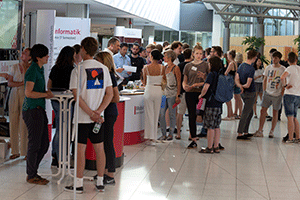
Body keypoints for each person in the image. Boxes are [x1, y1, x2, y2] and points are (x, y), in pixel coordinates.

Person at [65, 37, 113, 193]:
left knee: (80, 149)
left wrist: (91, 113)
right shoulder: (104, 69)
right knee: (100, 149)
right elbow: (109, 94)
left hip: (82, 118)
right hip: (98, 119)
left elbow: (77, 97)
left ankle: (78, 184)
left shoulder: (77, 70)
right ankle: (100, 182)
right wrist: (98, 112)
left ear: (83, 49)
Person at [22, 44, 54, 185]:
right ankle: (31, 174)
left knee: (44, 144)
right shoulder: (32, 70)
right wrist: (45, 95)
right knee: (35, 144)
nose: (48, 57)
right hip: (32, 110)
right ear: (38, 57)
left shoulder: (40, 69)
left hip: (39, 109)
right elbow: (28, 93)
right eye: (45, 55)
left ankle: (33, 171)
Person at [94, 51, 120, 184]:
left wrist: (103, 103)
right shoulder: (101, 74)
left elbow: (116, 97)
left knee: (108, 142)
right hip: (104, 112)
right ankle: (103, 171)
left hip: (108, 113)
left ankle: (110, 173)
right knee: (102, 142)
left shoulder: (109, 75)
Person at [47, 46, 75, 167]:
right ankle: (61, 157)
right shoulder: (72, 70)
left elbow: (49, 85)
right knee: (64, 130)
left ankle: (55, 155)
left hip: (55, 100)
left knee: (59, 127)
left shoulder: (55, 68)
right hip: (68, 101)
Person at [253, 51, 285, 138]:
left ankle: (272, 131)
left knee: (275, 112)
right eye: (273, 58)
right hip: (267, 93)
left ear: (279, 59)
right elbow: (265, 80)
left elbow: (284, 83)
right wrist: (264, 91)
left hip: (277, 94)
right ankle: (260, 130)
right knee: (263, 111)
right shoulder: (268, 68)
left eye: (276, 58)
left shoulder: (283, 69)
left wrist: (281, 93)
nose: (274, 59)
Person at [183, 43, 209, 149]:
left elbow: (208, 80)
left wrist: (201, 80)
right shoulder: (188, 66)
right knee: (191, 115)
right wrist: (185, 87)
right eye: (197, 53)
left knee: (203, 114)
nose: (199, 55)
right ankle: (193, 137)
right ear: (193, 54)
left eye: (200, 53)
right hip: (190, 92)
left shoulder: (205, 65)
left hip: (201, 93)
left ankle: (208, 134)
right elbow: (185, 80)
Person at [8, 48, 31, 160]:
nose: (22, 54)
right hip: (14, 93)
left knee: (24, 122)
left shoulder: (31, 68)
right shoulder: (15, 67)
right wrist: (22, 83)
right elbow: (10, 83)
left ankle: (25, 151)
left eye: (25, 53)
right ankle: (15, 150)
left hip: (25, 94)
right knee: (13, 120)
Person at [198, 56, 223, 153]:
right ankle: (216, 146)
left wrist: (201, 95)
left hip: (211, 103)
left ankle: (209, 147)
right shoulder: (220, 75)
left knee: (210, 127)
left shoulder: (211, 74)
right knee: (217, 126)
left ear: (211, 64)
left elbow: (206, 88)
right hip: (219, 103)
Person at [142, 49, 166, 146]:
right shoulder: (162, 68)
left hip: (149, 90)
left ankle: (148, 136)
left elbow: (144, 81)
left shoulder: (146, 68)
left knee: (149, 114)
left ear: (151, 57)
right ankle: (154, 137)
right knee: (156, 114)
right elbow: (164, 79)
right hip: (158, 90)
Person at [158, 50, 181, 141]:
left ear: (170, 57)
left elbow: (179, 82)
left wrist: (177, 95)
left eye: (165, 56)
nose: (164, 58)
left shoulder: (176, 68)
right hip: (164, 95)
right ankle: (163, 133)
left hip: (172, 94)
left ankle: (170, 134)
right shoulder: (164, 67)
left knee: (172, 114)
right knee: (161, 114)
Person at [235, 49, 257, 140]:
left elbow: (236, 79)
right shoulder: (251, 69)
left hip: (243, 93)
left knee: (250, 112)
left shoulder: (241, 66)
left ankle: (245, 131)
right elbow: (248, 84)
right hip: (250, 93)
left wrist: (240, 86)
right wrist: (243, 86)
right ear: (254, 58)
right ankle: (240, 133)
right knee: (245, 113)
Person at [280, 52, 300, 143]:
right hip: (298, 95)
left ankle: (290, 138)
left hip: (289, 95)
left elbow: (282, 77)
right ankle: (298, 137)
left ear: (288, 60)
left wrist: (285, 86)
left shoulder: (289, 68)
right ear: (296, 60)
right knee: (295, 117)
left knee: (290, 117)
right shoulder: (299, 68)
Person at [176, 48, 193, 140]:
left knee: (180, 113)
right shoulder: (192, 65)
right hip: (191, 91)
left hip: (181, 91)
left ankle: (178, 132)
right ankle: (191, 134)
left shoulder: (179, 65)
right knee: (191, 113)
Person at [223, 50, 238, 120]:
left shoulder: (231, 63)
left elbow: (226, 73)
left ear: (230, 56)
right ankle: (231, 114)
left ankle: (229, 115)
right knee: (229, 98)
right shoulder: (235, 63)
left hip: (229, 82)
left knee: (227, 99)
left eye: (228, 55)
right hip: (233, 81)